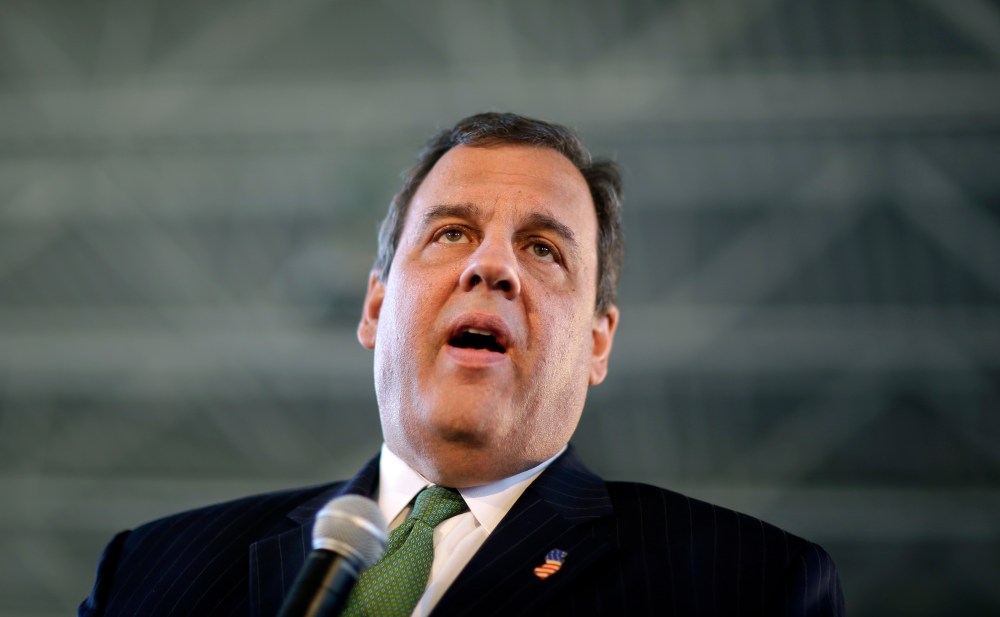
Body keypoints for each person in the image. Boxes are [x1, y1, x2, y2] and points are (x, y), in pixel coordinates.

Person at [79, 112, 844, 616]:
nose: (493, 267)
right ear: (376, 308)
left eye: (543, 249)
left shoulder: (744, 586)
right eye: (450, 233)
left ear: (598, 342)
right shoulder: (149, 572)